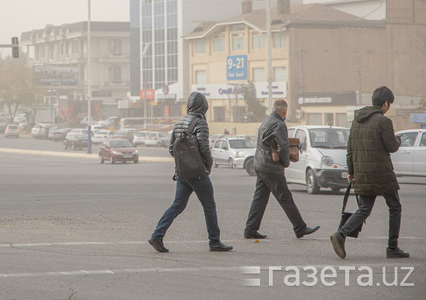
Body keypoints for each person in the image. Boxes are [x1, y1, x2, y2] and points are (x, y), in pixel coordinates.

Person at [148, 92, 233, 253]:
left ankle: (157, 235)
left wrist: (183, 164)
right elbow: (203, 147)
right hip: (197, 173)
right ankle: (214, 241)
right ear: (204, 107)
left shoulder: (179, 122)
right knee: (209, 206)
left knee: (177, 205)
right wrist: (207, 165)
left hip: (182, 173)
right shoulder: (200, 123)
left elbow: (171, 149)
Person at [331, 86, 408, 259]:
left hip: (362, 173)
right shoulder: (384, 122)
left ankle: (341, 234)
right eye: (390, 105)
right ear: (385, 103)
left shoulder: (356, 121)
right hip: (382, 173)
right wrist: (398, 138)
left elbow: (349, 149)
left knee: (364, 208)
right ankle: (392, 247)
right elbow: (392, 147)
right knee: (395, 207)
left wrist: (351, 171)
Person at [244, 99, 320, 240]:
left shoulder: (266, 122)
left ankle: (250, 229)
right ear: (284, 112)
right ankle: (300, 228)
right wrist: (285, 163)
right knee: (285, 197)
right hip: (271, 167)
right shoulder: (279, 124)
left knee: (259, 198)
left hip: (260, 164)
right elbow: (284, 147)